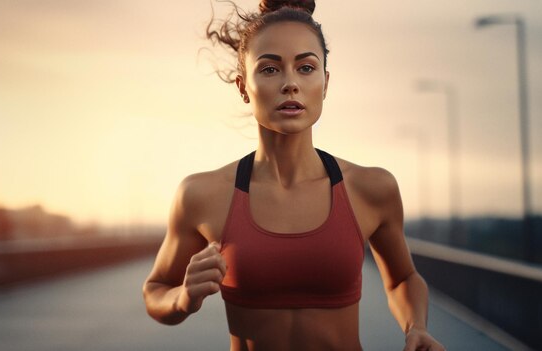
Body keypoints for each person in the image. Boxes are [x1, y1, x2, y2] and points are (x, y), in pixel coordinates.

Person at [143, 1, 446, 350]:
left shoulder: (372, 188)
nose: (290, 84)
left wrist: (415, 327)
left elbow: (402, 279)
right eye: (270, 69)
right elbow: (155, 291)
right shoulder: (201, 194)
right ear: (243, 87)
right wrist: (183, 298)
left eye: (305, 67)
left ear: (325, 83)